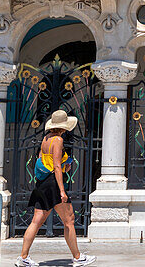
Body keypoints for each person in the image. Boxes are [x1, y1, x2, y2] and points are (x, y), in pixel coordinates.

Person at [15, 109, 96, 267]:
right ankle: (78, 257)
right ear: (64, 127)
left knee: (36, 221)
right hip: (53, 184)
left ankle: (23, 257)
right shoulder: (58, 140)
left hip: (43, 183)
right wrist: (62, 191)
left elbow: (41, 160)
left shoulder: (45, 139)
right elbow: (57, 167)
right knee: (69, 220)